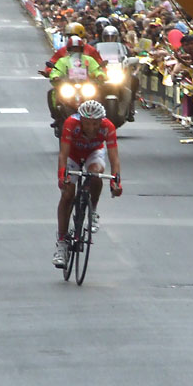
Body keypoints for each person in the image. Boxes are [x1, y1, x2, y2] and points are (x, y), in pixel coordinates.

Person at [53, 99, 122, 268]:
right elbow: (63, 154)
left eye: (95, 123)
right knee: (68, 194)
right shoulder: (71, 123)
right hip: (73, 155)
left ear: (101, 121)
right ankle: (61, 243)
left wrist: (116, 181)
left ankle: (92, 210)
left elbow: (114, 157)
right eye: (87, 123)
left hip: (93, 151)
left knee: (96, 173)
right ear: (80, 119)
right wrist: (62, 176)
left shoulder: (108, 127)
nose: (91, 127)